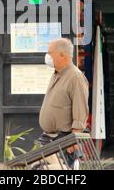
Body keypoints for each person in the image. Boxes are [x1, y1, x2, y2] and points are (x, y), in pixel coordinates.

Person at [38, 38, 89, 167]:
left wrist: (73, 141)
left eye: (50, 53)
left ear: (62, 55)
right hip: (49, 139)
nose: (47, 56)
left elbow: (80, 112)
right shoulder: (57, 74)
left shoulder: (75, 77)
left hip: (63, 142)